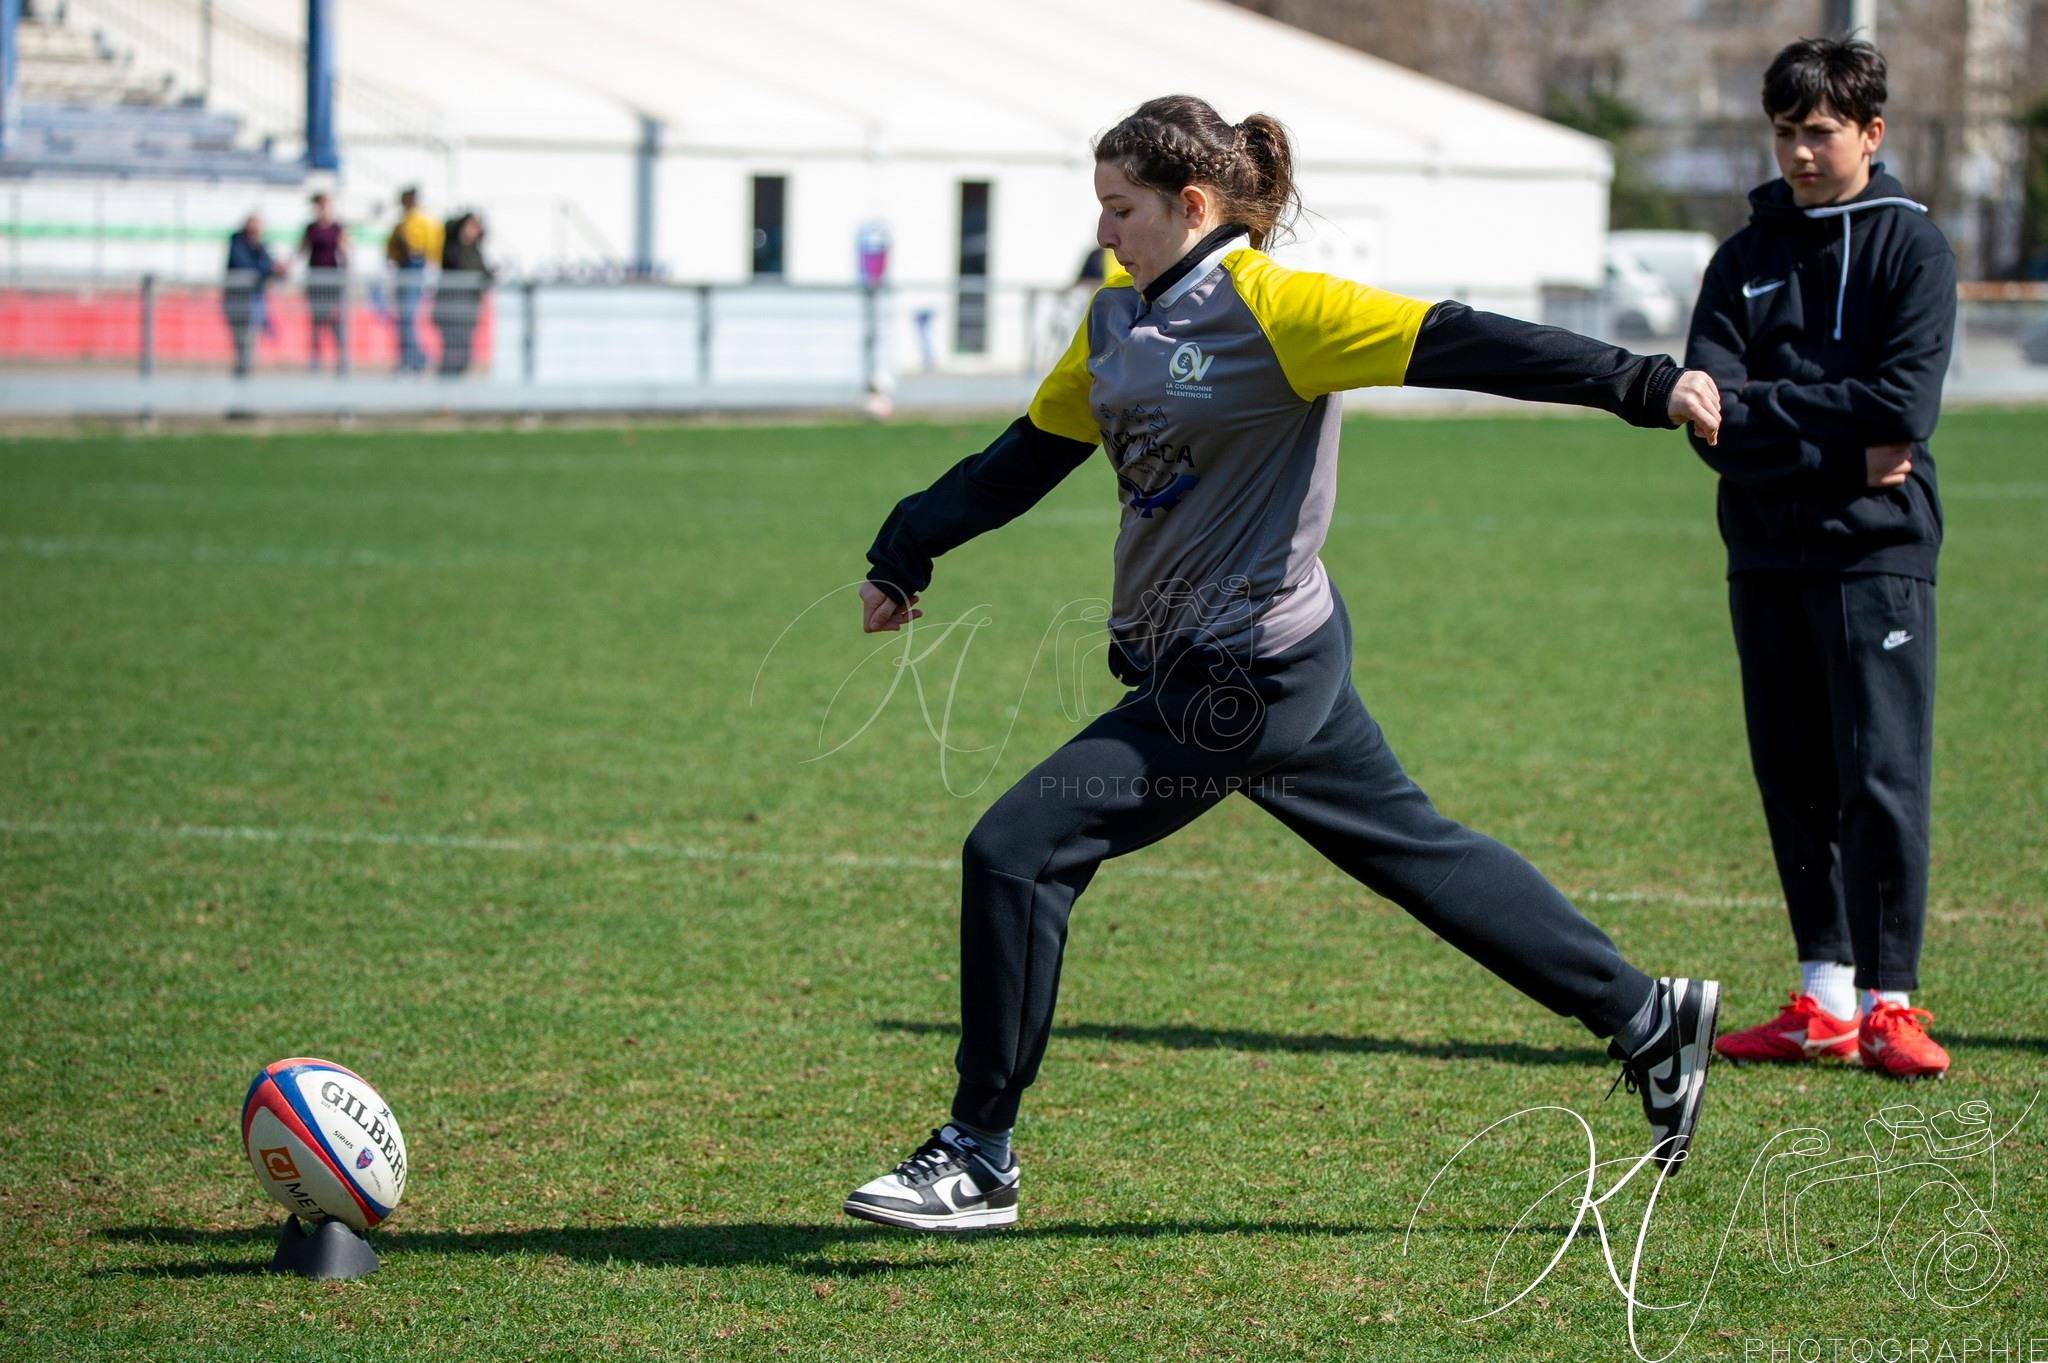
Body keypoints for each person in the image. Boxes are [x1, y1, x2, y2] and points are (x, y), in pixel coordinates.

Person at [843, 95, 1727, 1233]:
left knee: (1017, 851)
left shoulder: (1279, 309)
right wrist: (907, 547)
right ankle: (1647, 1014)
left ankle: (977, 1152)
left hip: (1242, 676)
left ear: (1191, 205)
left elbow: (1461, 339)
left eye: (1120, 209)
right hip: (1255, 664)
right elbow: (1023, 458)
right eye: (1098, 207)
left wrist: (1642, 383)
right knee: (1422, 856)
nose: (1103, 232)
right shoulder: (1113, 322)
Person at [1687, 39, 1955, 1081]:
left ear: (1869, 133)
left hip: (1876, 554)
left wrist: (1768, 412)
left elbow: (1904, 405)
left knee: (1880, 773)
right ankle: (1825, 999)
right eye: (1785, 131)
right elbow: (1709, 414)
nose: (1799, 152)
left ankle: (1891, 1003)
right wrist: (1843, 450)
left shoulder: (1912, 248)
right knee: (1792, 772)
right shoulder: (1740, 258)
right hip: (1762, 548)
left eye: (1820, 132)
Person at [385, 187, 444, 374]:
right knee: (404, 319)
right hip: (404, 271)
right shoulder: (401, 224)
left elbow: (431, 249)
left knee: (408, 318)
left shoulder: (423, 221)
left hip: (415, 271)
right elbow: (391, 248)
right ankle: (412, 358)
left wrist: (430, 270)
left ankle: (414, 358)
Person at [431, 212, 493, 378]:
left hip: (467, 310)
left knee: (464, 355)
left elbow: (484, 274)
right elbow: (460, 265)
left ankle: (453, 388)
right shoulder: (451, 248)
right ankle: (445, 390)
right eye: (470, 225)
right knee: (451, 353)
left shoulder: (476, 252)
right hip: (449, 309)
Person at [223, 214, 285, 378]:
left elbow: (268, 264)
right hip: (235, 300)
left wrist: (276, 268)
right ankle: (241, 373)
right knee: (241, 340)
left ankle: (244, 373)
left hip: (252, 301)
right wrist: (270, 269)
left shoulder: (260, 246)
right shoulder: (237, 242)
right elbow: (244, 264)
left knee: (248, 340)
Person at [299, 192, 350, 374]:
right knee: (317, 322)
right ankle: (316, 361)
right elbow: (301, 249)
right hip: (315, 281)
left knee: (336, 321)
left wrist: (346, 273)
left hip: (333, 280)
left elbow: (345, 250)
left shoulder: (336, 228)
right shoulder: (310, 228)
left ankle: (341, 361)